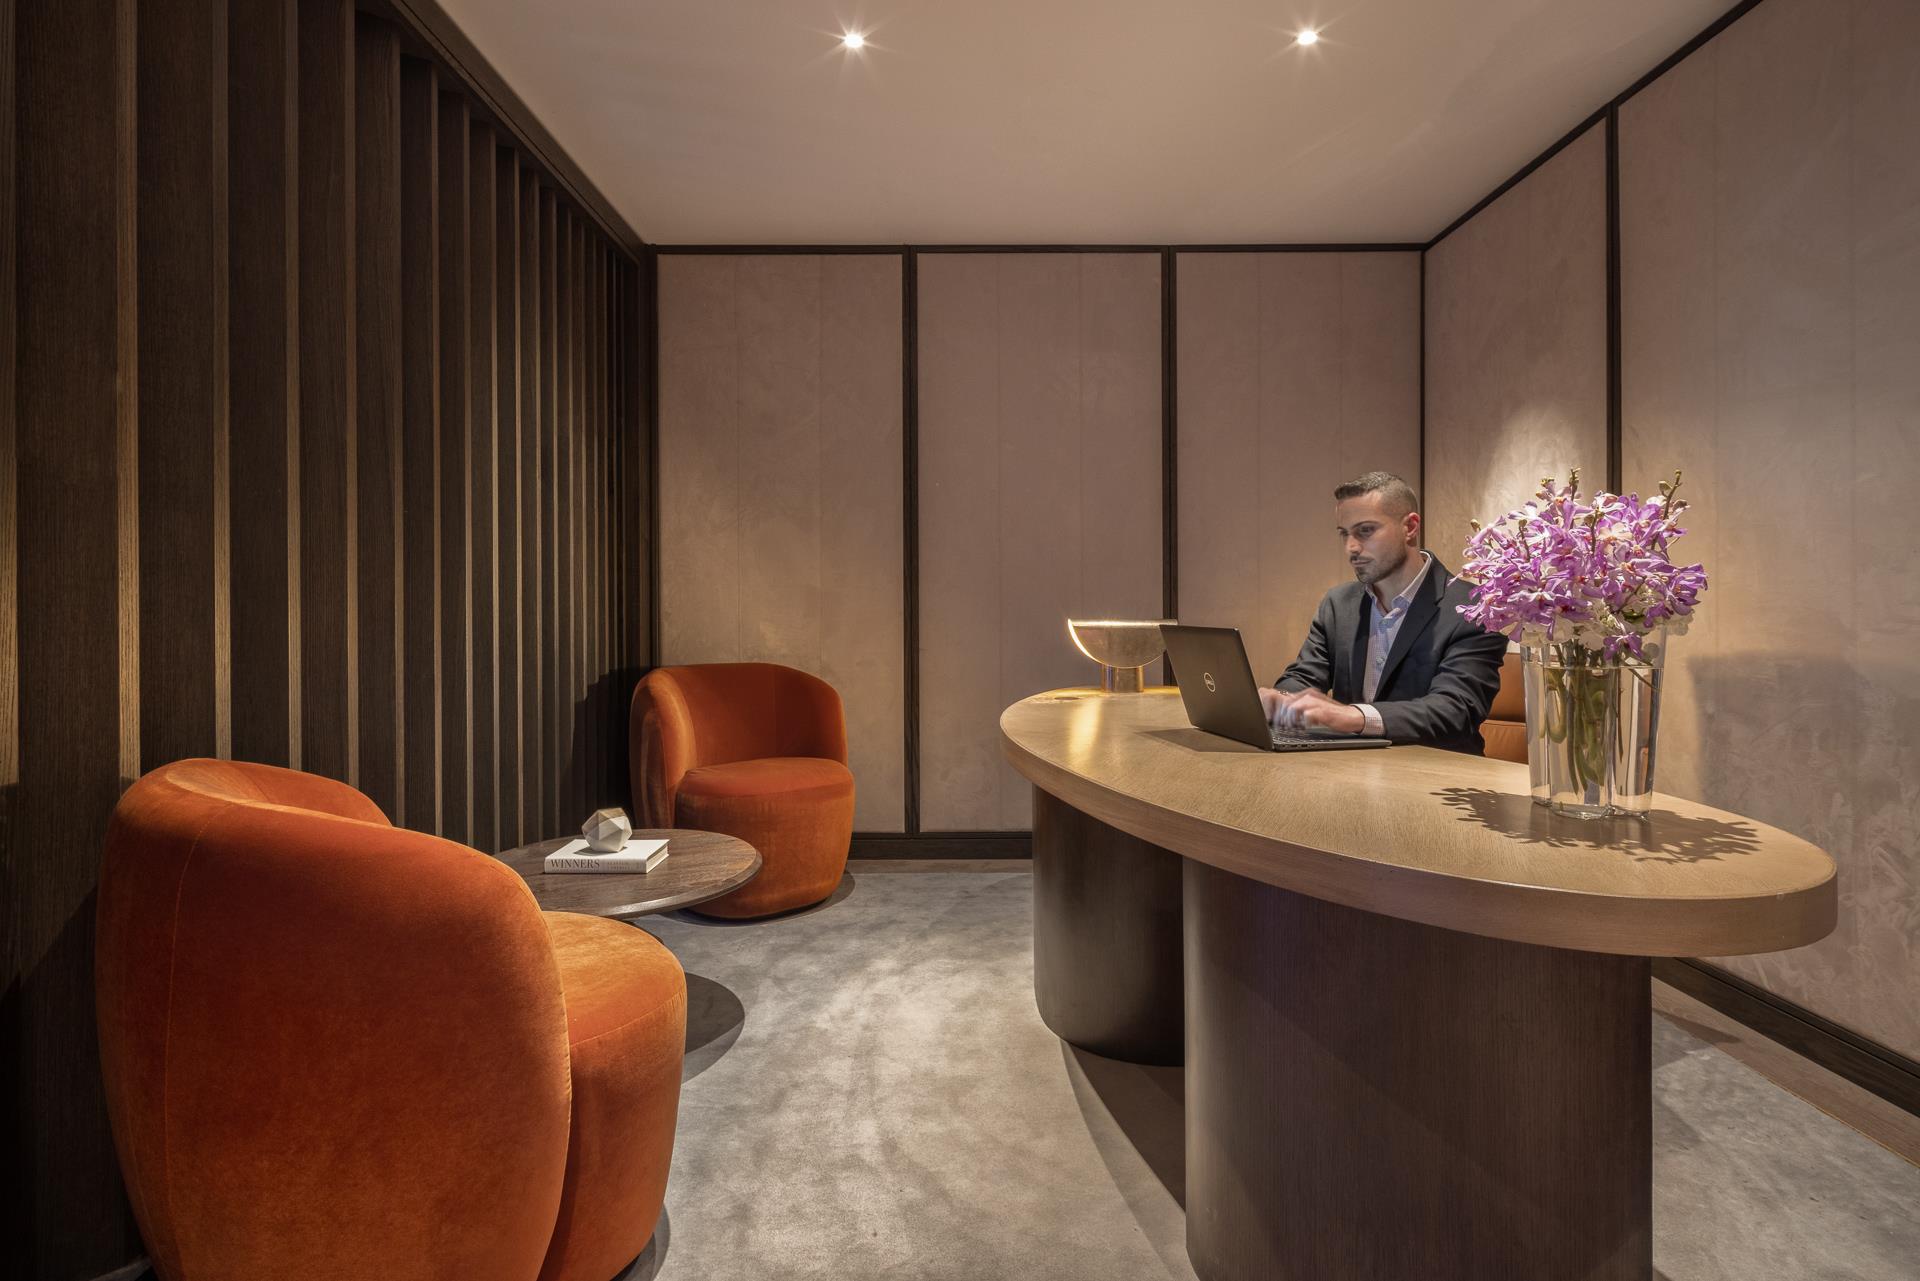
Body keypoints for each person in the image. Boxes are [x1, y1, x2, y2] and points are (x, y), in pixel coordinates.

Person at [1258, 471, 1507, 754]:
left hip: (1439, 773)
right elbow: (1303, 677)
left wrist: (1351, 716)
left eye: (1365, 531)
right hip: (1349, 770)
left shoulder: (1475, 607)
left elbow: (1455, 711)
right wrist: (1280, 699)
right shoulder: (1338, 604)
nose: (1351, 547)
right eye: (1344, 534)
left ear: (1410, 527)